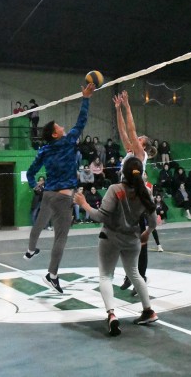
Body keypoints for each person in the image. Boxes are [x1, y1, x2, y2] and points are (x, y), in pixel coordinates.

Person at [73, 156, 159, 336]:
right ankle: (148, 310)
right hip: (133, 239)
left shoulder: (115, 189)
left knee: (105, 276)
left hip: (111, 238)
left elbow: (100, 216)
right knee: (135, 273)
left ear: (123, 172)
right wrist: (147, 232)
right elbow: (152, 220)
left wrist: (84, 204)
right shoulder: (146, 191)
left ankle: (112, 315)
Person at [23, 82, 96, 294]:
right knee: (60, 238)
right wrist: (86, 98)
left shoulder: (44, 150)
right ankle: (52, 275)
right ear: (56, 134)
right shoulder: (67, 142)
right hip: (64, 197)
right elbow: (81, 122)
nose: (64, 128)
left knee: (38, 224)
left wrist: (33, 185)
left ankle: (29, 250)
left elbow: (30, 173)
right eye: (59, 128)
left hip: (47, 195)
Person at [113, 90, 157, 294]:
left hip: (135, 198)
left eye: (139, 138)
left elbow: (130, 128)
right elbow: (123, 131)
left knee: (140, 241)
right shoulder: (131, 151)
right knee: (125, 240)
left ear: (144, 146)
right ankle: (130, 275)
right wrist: (117, 109)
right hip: (124, 198)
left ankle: (141, 276)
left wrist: (128, 106)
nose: (135, 138)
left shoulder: (140, 154)